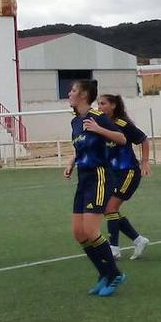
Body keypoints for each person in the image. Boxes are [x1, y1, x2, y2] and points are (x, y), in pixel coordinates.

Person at [64, 79, 126, 296]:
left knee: (91, 230)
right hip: (84, 177)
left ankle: (115, 274)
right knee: (79, 233)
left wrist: (100, 129)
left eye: (73, 90)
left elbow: (121, 138)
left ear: (83, 95)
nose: (69, 93)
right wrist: (72, 162)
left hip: (100, 177)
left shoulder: (97, 117)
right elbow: (81, 147)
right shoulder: (75, 122)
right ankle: (104, 273)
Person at [97, 94, 152, 260]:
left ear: (113, 105)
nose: (100, 107)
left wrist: (145, 162)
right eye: (98, 104)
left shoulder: (122, 124)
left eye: (103, 103)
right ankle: (138, 240)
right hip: (113, 173)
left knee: (110, 208)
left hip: (128, 172)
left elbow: (143, 139)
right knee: (110, 210)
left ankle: (114, 248)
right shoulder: (102, 125)